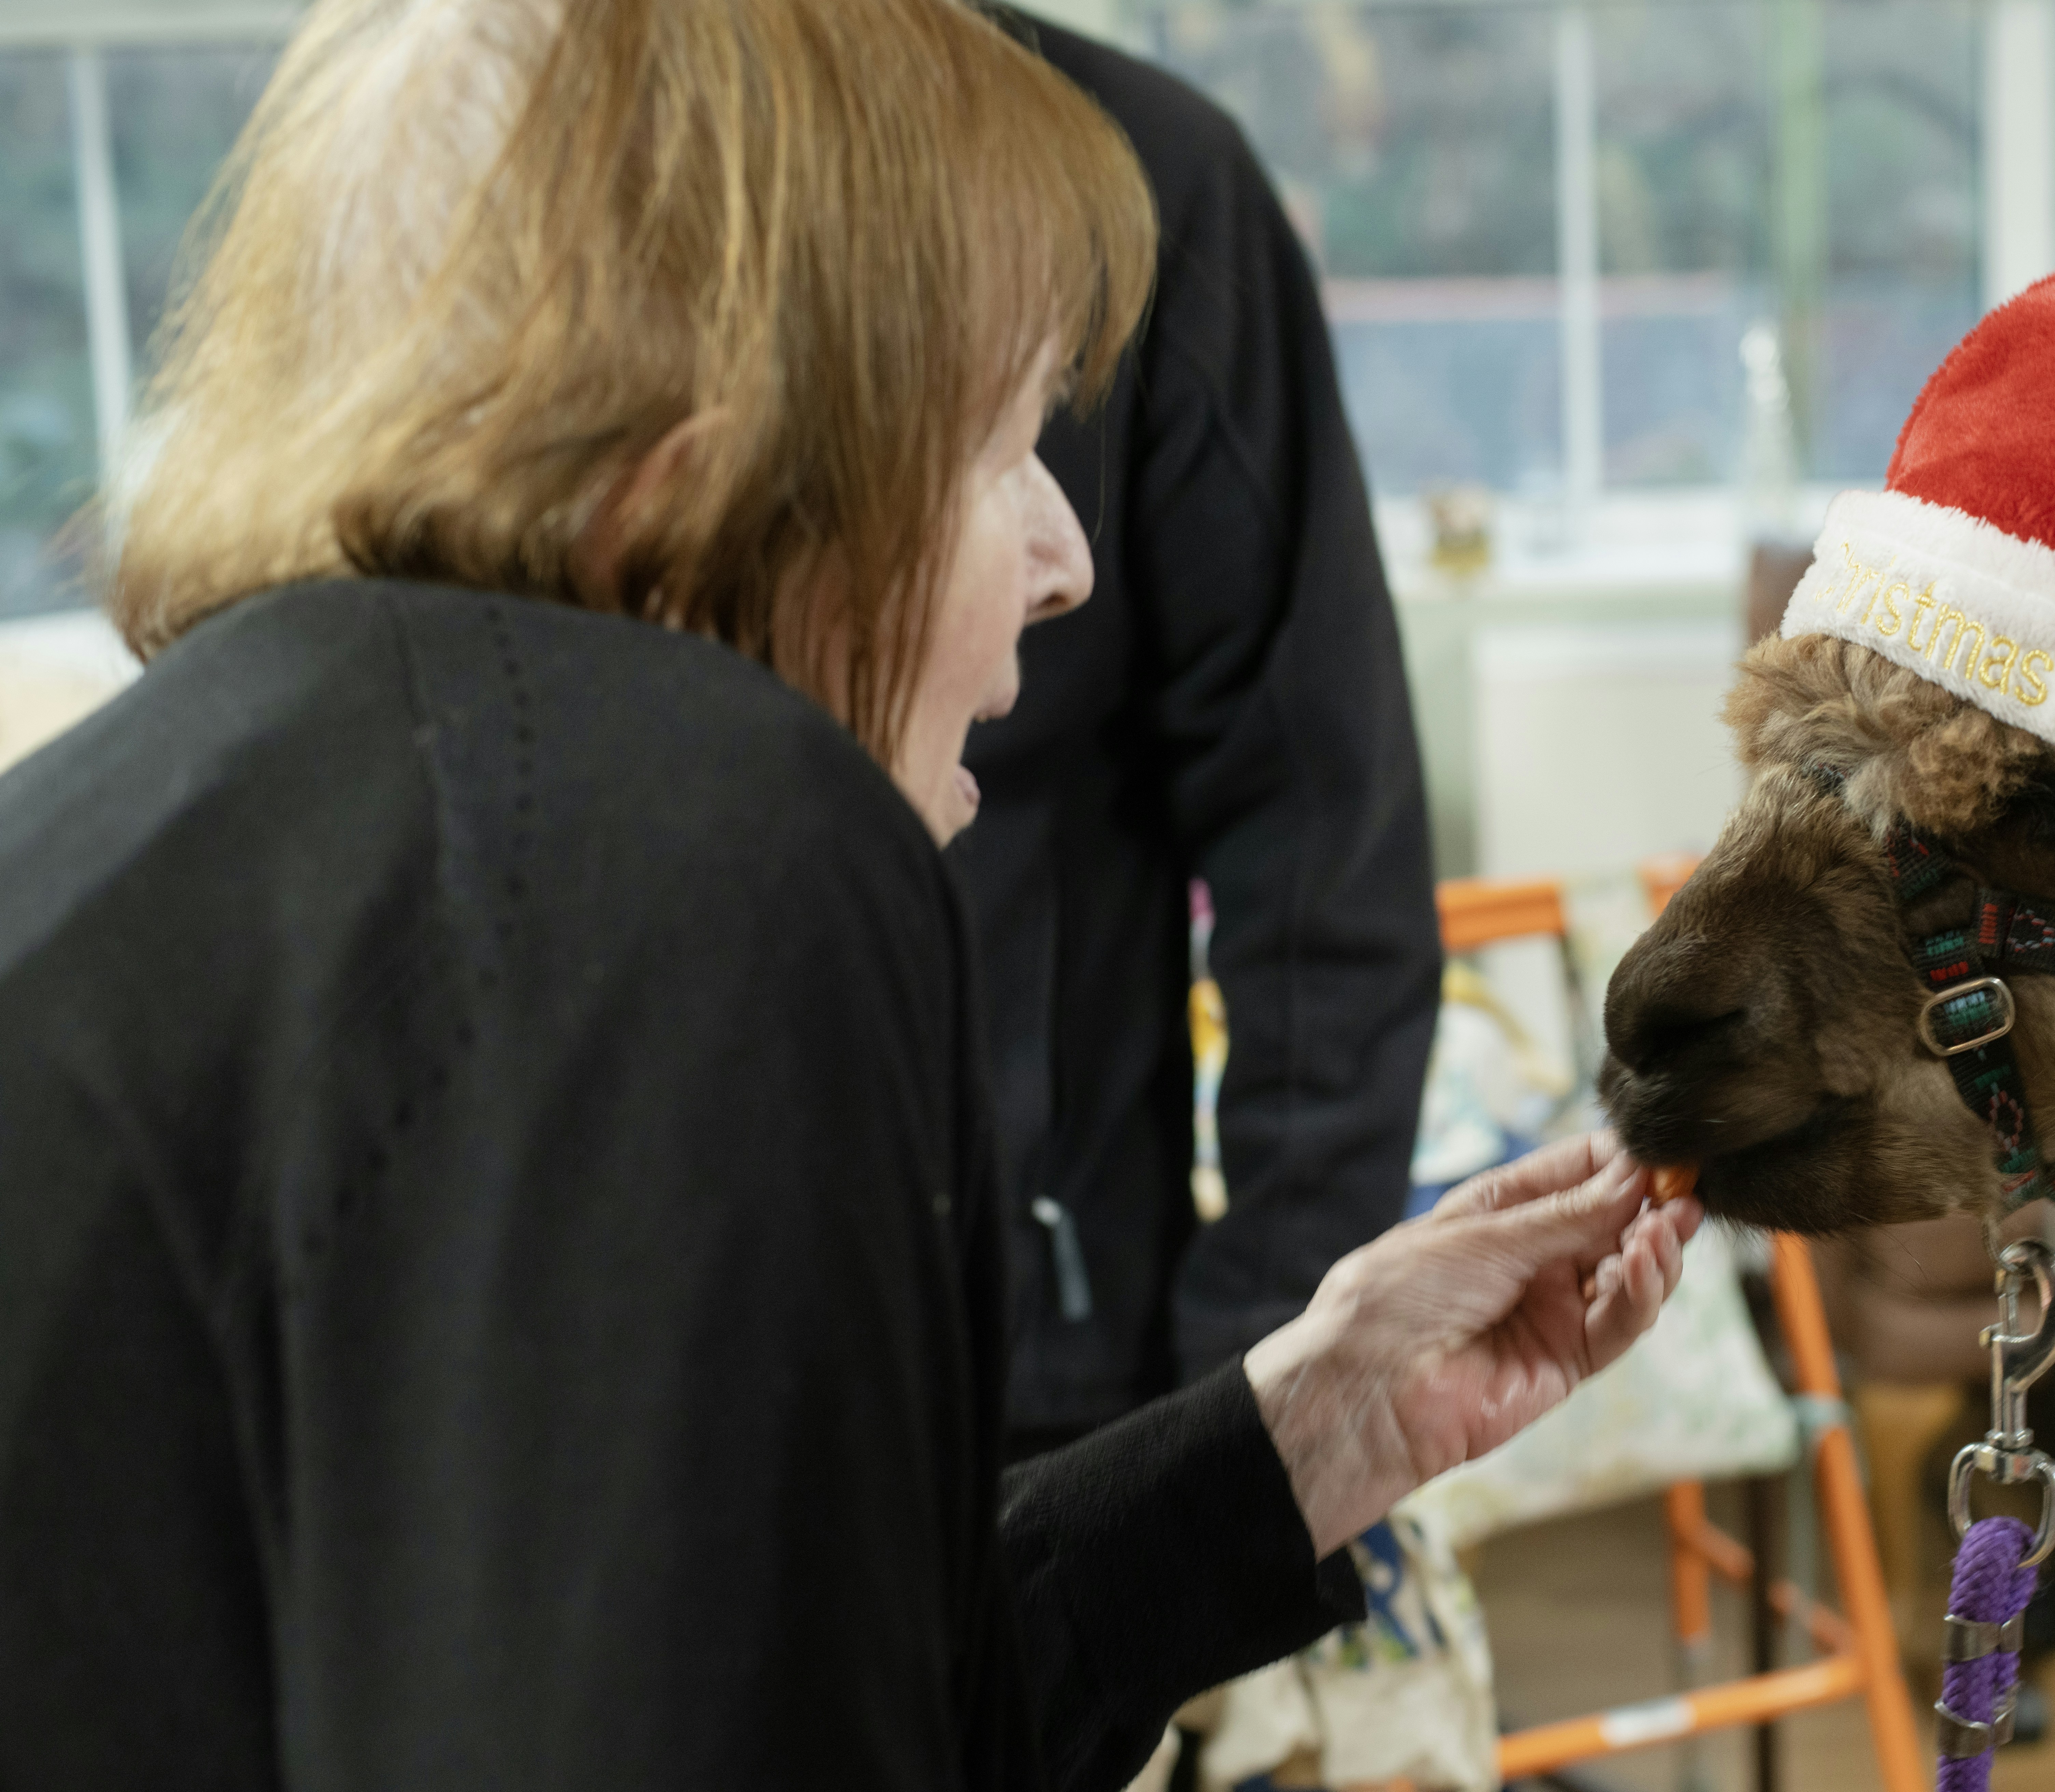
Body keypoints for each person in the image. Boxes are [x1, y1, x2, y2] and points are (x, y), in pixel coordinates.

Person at [0, 3, 1702, 1790]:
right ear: (702, 486)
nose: (1068, 561)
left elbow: (815, 1692)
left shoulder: (220, 829)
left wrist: (1300, 1426)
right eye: (998, 451)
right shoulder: (716, 846)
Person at [955, 14, 1441, 1455]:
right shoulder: (548, 191)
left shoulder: (1149, 190)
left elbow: (1322, 848)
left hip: (1049, 1364)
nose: (1055, 555)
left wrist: (1254, 1400)